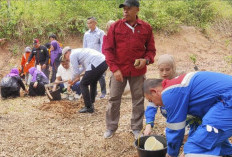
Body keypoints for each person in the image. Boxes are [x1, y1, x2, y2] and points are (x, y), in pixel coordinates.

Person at [143, 71, 232, 157]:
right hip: (225, 100)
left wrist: (172, 153)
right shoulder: (175, 86)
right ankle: (227, 152)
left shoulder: (169, 93)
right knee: (205, 138)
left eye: (151, 100)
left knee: (193, 149)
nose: (154, 104)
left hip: (228, 100)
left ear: (154, 91)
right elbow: (197, 123)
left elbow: (175, 129)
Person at [103, 0, 156, 139]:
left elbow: (151, 50)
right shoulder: (115, 27)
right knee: (114, 98)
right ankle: (111, 127)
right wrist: (114, 69)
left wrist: (146, 60)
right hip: (118, 70)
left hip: (138, 72)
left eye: (129, 9)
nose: (125, 11)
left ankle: (136, 127)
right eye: (124, 9)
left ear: (137, 10)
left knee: (138, 99)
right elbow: (108, 50)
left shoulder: (146, 28)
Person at [63, 46, 108, 113]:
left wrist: (71, 79)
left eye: (65, 56)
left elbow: (76, 71)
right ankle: (91, 103)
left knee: (83, 84)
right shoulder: (78, 51)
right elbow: (83, 68)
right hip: (104, 62)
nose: (66, 59)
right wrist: (75, 78)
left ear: (67, 53)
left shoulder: (72, 55)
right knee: (93, 81)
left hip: (96, 62)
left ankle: (88, 107)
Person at [143, 54, 176, 135]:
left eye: (167, 69)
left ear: (173, 68)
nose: (164, 73)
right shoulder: (158, 84)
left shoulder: (179, 81)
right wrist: (148, 125)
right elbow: (152, 105)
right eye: (161, 70)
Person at [83, 17, 106, 99]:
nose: (89, 25)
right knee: (91, 74)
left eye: (91, 23)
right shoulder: (86, 34)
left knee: (101, 75)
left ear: (95, 23)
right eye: (88, 23)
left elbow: (103, 45)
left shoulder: (100, 33)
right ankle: (94, 92)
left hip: (99, 57)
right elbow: (85, 46)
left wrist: (102, 56)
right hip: (89, 58)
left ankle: (103, 92)